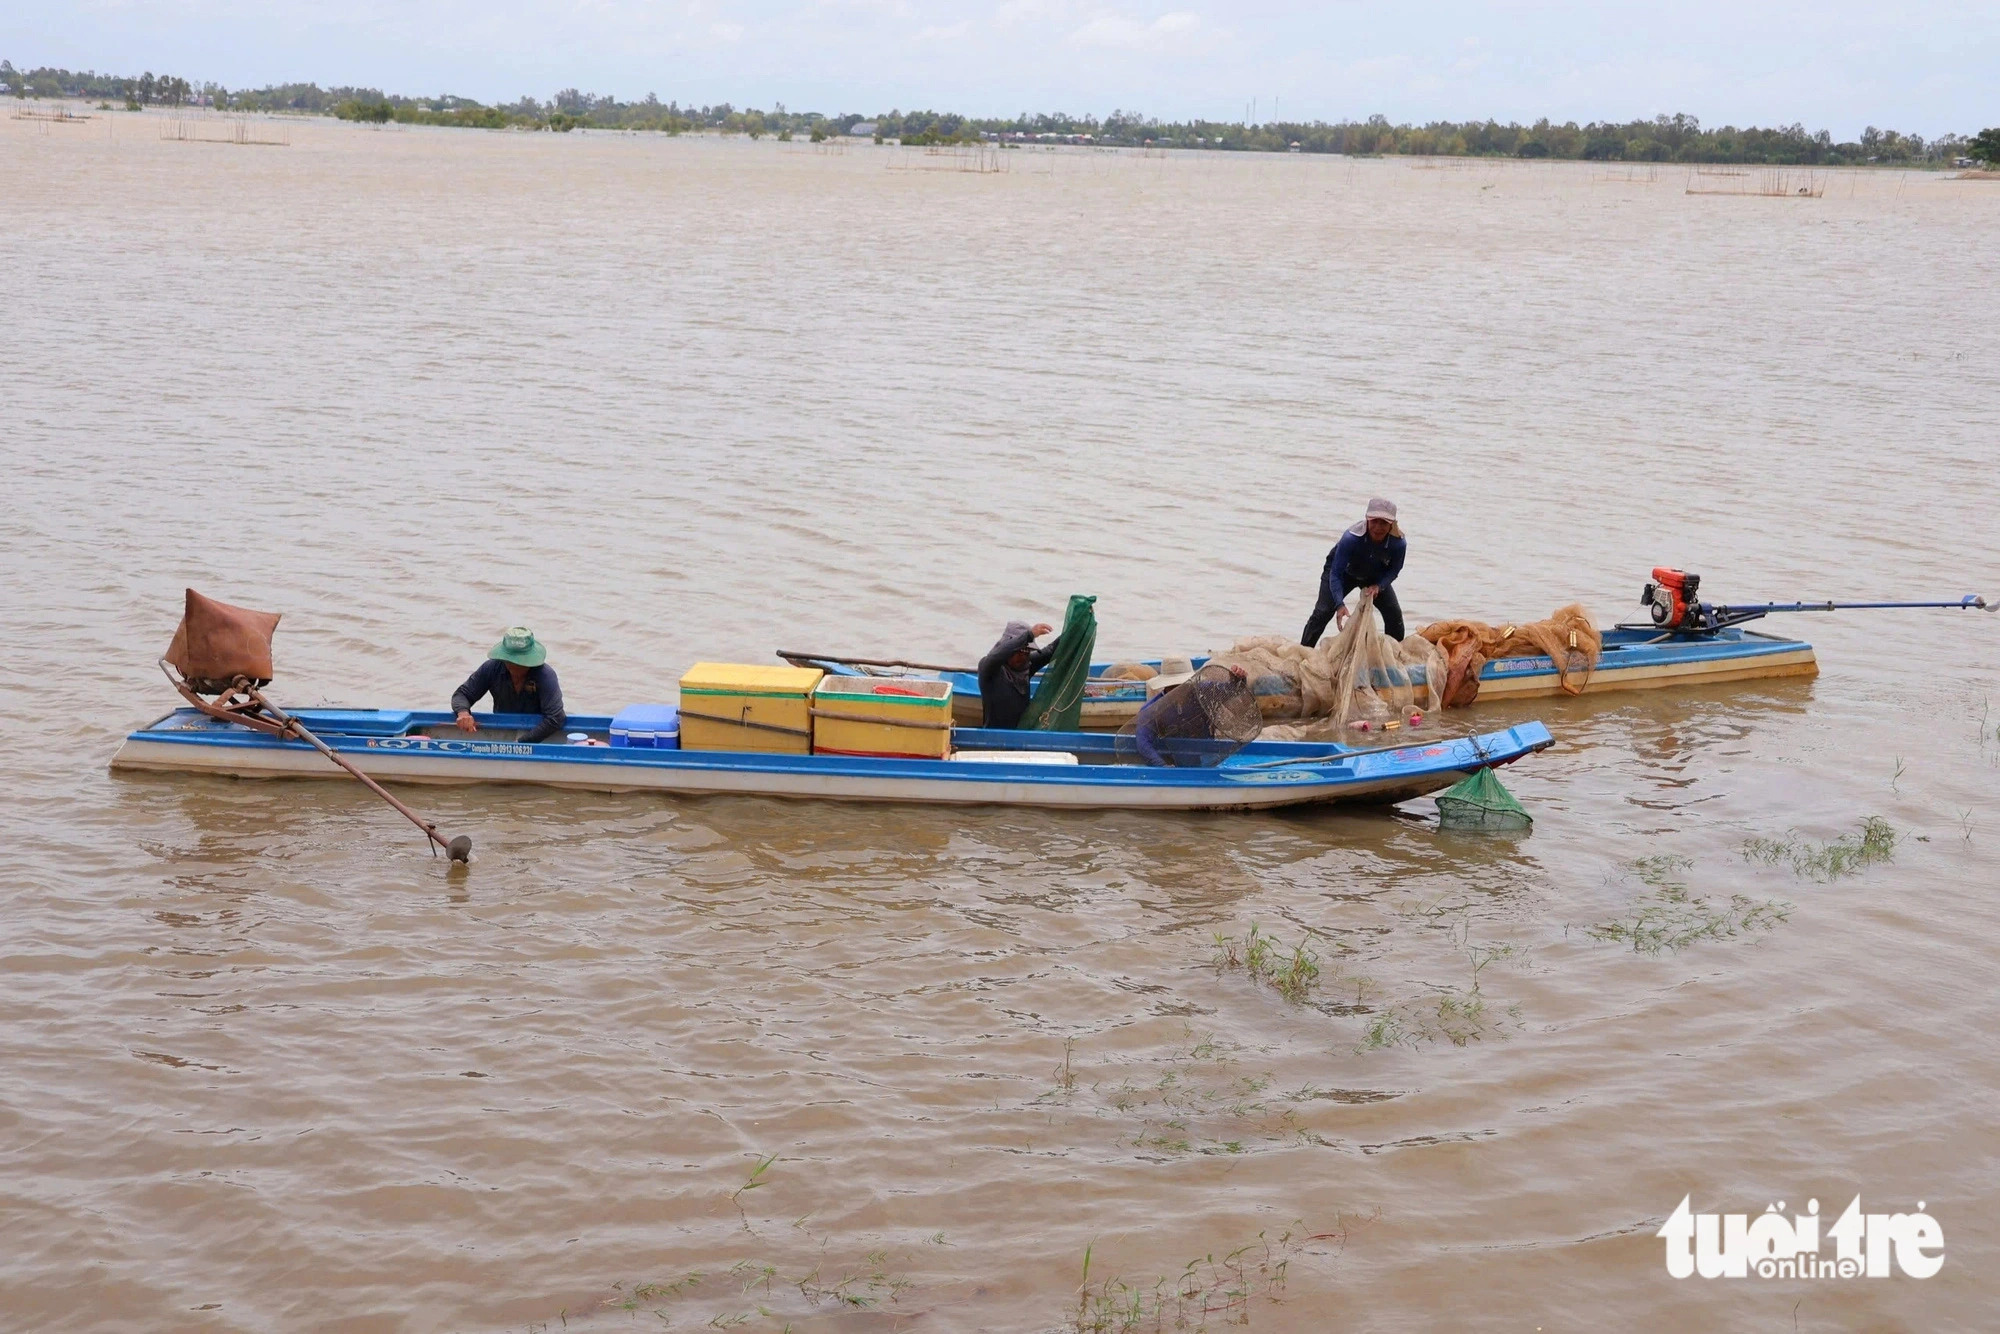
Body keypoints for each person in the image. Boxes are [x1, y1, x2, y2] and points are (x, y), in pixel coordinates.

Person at [1302, 497, 1407, 648]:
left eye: (1384, 523)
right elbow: (1336, 573)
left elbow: (1394, 570)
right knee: (1322, 612)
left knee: (1394, 614)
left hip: (1373, 576)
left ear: (1392, 524)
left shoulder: (1399, 543)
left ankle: (1395, 655)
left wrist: (1379, 586)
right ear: (1367, 519)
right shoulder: (1351, 538)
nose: (1378, 527)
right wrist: (1339, 604)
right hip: (1343, 573)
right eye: (1374, 521)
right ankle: (1303, 651)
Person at [451, 626, 567, 743]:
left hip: (537, 734)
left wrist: (521, 743)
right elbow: (462, 694)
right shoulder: (492, 668)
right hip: (503, 730)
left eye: (520, 660)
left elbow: (556, 717)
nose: (514, 664)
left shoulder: (545, 675)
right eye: (510, 659)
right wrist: (463, 713)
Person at [1131, 665, 1252, 766]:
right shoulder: (1152, 709)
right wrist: (1161, 765)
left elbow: (1231, 690)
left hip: (1205, 754)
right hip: (1172, 758)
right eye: (1173, 686)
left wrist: (1238, 679)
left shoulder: (1204, 692)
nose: (1179, 689)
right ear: (1166, 686)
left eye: (1183, 684)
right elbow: (1143, 742)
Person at [977, 620, 1057, 729]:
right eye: (1019, 651)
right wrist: (1029, 635)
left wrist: (1077, 626)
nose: (1023, 657)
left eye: (1027, 651)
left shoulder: (1026, 666)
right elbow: (996, 656)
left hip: (1021, 736)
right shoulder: (989, 669)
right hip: (995, 737)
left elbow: (1051, 650)